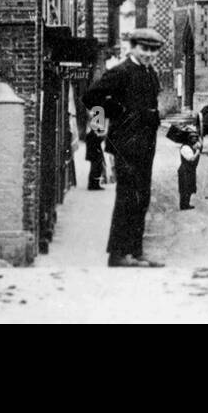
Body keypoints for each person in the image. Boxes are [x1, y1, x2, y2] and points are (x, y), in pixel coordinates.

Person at [82, 27, 165, 267]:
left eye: (153, 50)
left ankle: (135, 251)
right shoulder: (121, 71)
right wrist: (100, 130)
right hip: (125, 145)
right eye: (144, 48)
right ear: (133, 48)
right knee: (128, 198)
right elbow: (91, 98)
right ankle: (118, 254)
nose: (149, 54)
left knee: (142, 198)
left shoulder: (150, 73)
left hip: (146, 145)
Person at [170, 111, 202, 210]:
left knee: (190, 187)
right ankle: (183, 205)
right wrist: (197, 151)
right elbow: (191, 159)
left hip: (189, 170)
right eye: (192, 138)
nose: (194, 140)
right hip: (185, 170)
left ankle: (186, 204)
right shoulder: (185, 148)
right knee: (185, 188)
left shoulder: (190, 146)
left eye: (195, 138)